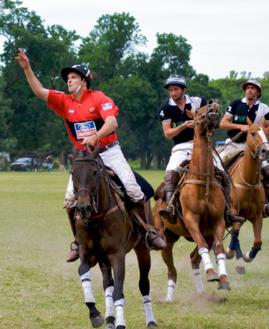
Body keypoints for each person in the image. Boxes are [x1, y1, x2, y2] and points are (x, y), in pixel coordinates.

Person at [15, 48, 166, 262]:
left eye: (73, 77)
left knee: (133, 190)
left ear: (84, 81)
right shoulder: (64, 101)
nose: (68, 81)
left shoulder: (98, 98)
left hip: (109, 152)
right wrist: (27, 68)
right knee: (69, 200)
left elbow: (112, 122)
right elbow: (39, 91)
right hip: (85, 159)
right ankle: (78, 241)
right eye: (67, 78)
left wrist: (96, 136)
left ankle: (148, 233)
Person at [157, 75, 244, 225]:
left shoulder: (198, 102)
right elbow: (167, 133)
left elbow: (210, 122)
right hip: (181, 146)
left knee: (223, 173)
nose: (173, 93)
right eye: (170, 90)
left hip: (203, 145)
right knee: (170, 173)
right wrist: (184, 125)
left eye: (176, 89)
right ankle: (171, 207)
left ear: (183, 89)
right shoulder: (165, 108)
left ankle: (228, 210)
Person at [219, 79, 269, 218]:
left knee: (268, 172)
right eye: (247, 88)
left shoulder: (264, 108)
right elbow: (223, 123)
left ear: (258, 92)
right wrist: (240, 126)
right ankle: (220, 201)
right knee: (218, 166)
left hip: (253, 147)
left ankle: (265, 205)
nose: (249, 90)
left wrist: (258, 130)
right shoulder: (236, 104)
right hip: (233, 144)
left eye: (252, 88)